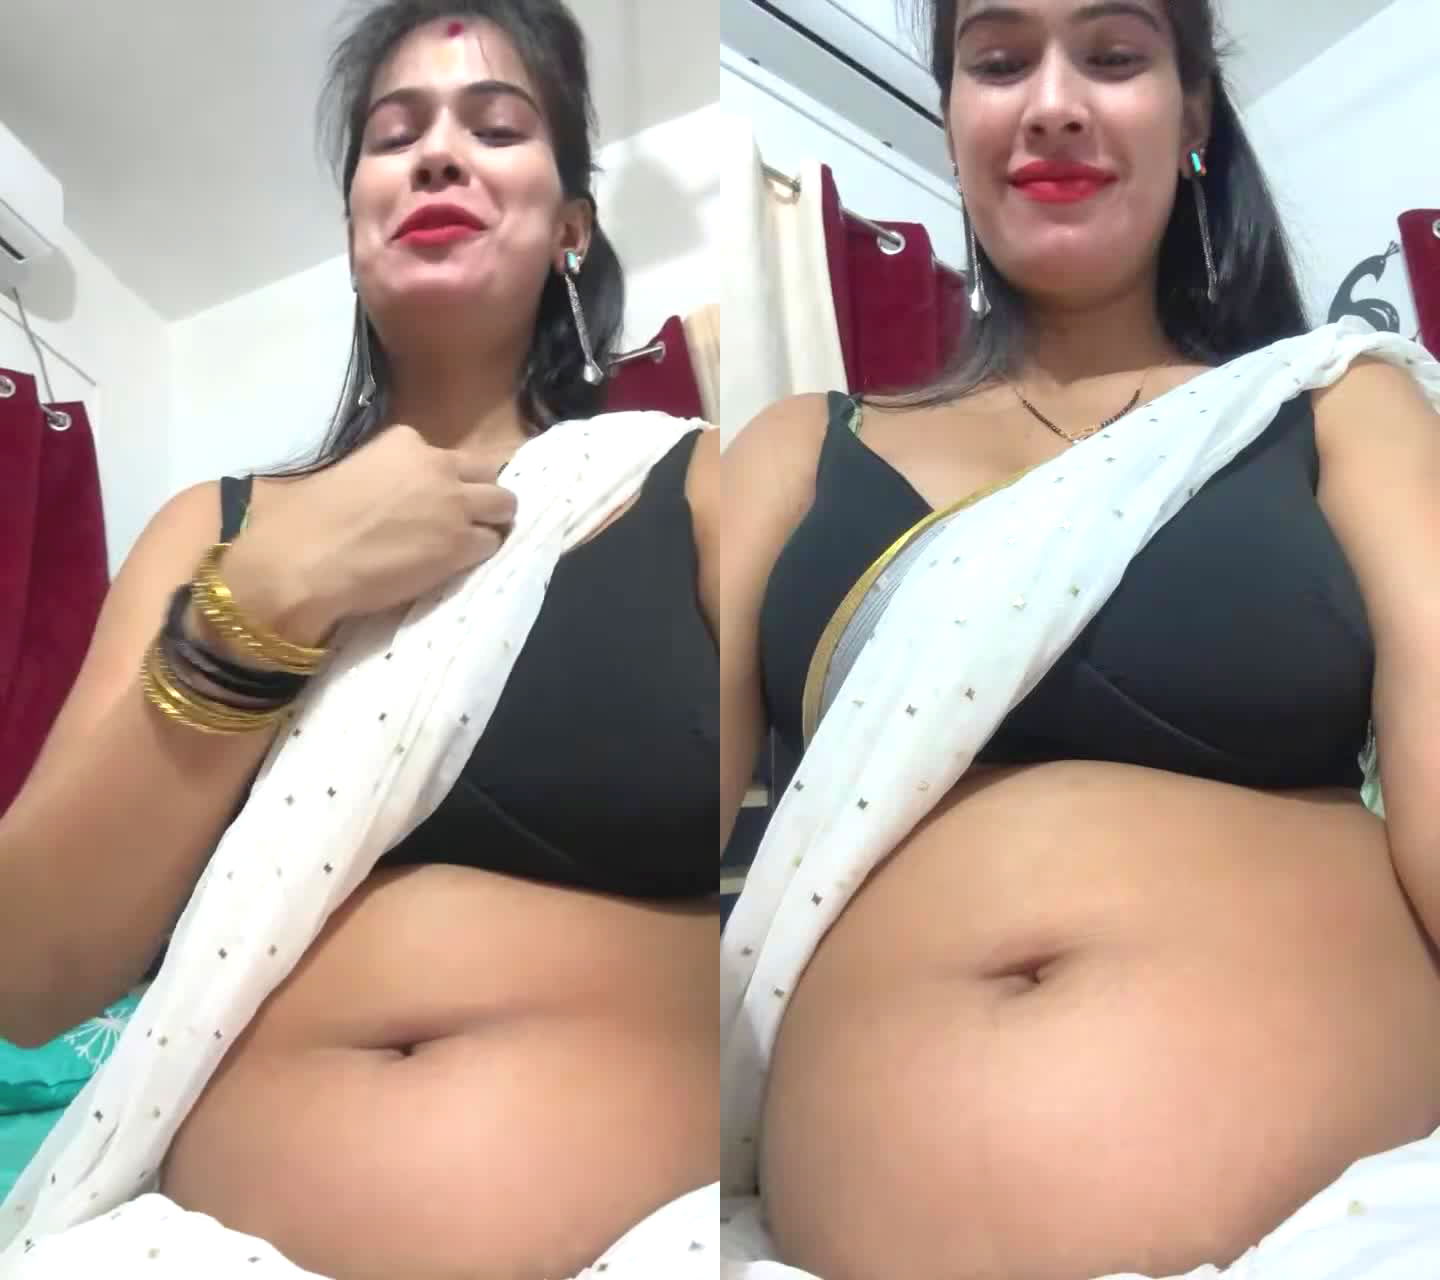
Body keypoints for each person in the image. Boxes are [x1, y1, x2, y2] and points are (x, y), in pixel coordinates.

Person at [720, 1, 1440, 1277]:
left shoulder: (1338, 406)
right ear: (952, 118)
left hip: (1357, 1225)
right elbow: (629, 835)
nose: (1052, 104)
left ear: (1193, 113)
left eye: (1112, 56)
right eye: (999, 62)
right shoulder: (797, 453)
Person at [0, 3, 718, 1277]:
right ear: (352, 227)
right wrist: (267, 602)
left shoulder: (696, 485)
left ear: (573, 225)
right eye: (395, 137)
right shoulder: (214, 532)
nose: (438, 154)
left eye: (496, 127)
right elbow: (28, 969)